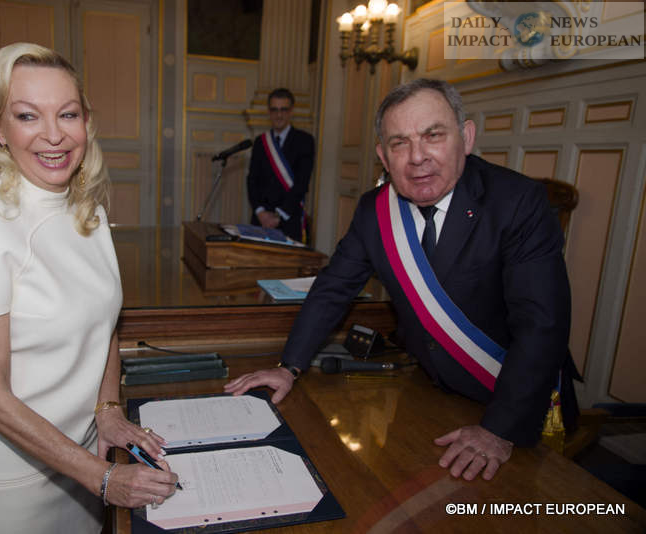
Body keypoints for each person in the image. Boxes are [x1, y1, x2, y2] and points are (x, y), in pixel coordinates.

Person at [226, 78, 579, 482]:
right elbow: (333, 288)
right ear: (383, 155)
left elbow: (542, 324)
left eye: (433, 136)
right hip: (434, 395)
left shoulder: (517, 202)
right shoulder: (374, 211)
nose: (417, 157)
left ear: (465, 138)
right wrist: (288, 366)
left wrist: (499, 429)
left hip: (516, 406)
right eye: (399, 143)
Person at [0, 43, 177, 533]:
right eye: (27, 116)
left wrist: (108, 409)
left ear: (86, 122)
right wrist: (103, 478)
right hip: (8, 481)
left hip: (83, 459)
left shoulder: (88, 211)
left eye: (68, 114)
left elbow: (105, 324)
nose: (54, 135)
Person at [246, 88, 314, 242]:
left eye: (284, 109)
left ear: (291, 111)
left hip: (288, 220)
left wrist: (279, 215)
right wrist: (260, 212)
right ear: (269, 112)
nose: (279, 115)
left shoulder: (305, 141)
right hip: (261, 220)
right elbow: (252, 180)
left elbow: (302, 183)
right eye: (274, 110)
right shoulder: (260, 142)